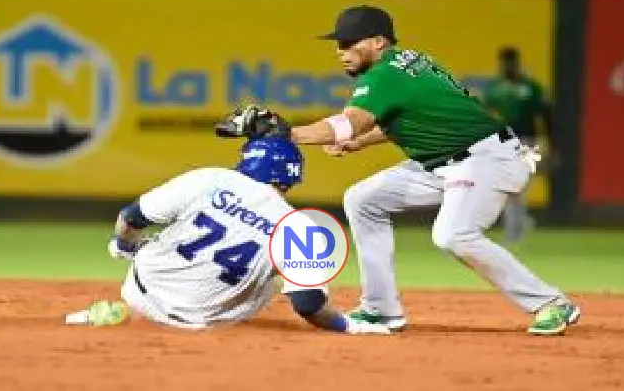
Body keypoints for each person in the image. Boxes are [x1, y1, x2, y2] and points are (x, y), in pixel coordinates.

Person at [215, 6, 580, 336]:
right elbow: (401, 120)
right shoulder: (409, 63)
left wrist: (288, 133)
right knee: (363, 199)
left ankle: (551, 303)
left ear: (377, 41)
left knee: (454, 235)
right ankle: (381, 310)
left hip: (484, 159)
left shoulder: (385, 75)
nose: (340, 52)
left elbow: (348, 123)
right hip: (444, 162)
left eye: (347, 43)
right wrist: (359, 143)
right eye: (337, 45)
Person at [65, 137, 390, 335]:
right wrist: (348, 325)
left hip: (137, 292)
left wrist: (123, 245)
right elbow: (308, 305)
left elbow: (131, 218)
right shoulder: (300, 227)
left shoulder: (211, 177)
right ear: (291, 178)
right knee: (273, 276)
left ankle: (123, 317)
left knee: (156, 243)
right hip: (205, 324)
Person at [482, 46, 555, 242]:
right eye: (504, 63)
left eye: (510, 62)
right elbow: (486, 116)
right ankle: (521, 224)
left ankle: (516, 232)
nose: (507, 66)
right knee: (509, 191)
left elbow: (546, 116)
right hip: (503, 142)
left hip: (527, 142)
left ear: (517, 63)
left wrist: (549, 144)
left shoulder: (531, 87)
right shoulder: (495, 88)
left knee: (517, 188)